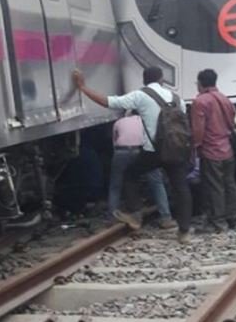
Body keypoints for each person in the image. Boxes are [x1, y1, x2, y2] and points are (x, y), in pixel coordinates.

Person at [73, 66, 193, 243]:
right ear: (161, 80)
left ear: (145, 80)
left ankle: (135, 215)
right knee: (181, 188)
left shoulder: (141, 95)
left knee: (130, 174)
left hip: (154, 152)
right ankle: (184, 232)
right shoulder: (177, 99)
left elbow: (109, 102)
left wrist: (83, 88)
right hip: (176, 150)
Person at [191, 69, 236, 232]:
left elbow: (198, 129)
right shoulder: (225, 99)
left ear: (200, 83)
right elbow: (232, 120)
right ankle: (232, 217)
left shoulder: (200, 102)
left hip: (211, 151)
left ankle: (217, 222)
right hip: (227, 149)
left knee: (214, 186)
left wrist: (196, 146)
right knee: (229, 184)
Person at [110, 111, 176, 229]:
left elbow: (114, 142)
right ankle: (166, 217)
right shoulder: (146, 121)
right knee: (156, 183)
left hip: (121, 152)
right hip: (142, 151)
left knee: (116, 184)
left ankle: (113, 216)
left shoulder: (118, 122)